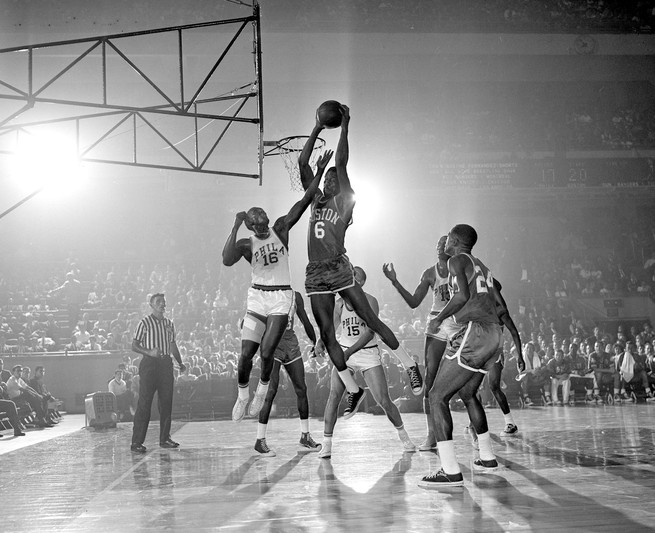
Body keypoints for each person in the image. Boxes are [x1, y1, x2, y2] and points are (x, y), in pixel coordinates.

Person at [299, 104, 423, 420]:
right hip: (315, 271)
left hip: (338, 266)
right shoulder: (316, 199)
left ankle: (408, 362)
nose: (327, 183)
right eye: (324, 180)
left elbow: (341, 163)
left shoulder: (344, 200)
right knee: (326, 334)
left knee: (371, 318)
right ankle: (353, 390)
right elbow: (302, 162)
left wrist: (345, 126)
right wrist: (316, 128)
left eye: (332, 181)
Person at [222, 148, 333, 423]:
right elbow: (226, 260)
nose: (261, 229)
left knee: (267, 350)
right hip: (258, 297)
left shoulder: (281, 228)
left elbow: (306, 199)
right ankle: (243, 395)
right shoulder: (245, 243)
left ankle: (261, 392)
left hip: (281, 296)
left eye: (264, 224)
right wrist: (235, 225)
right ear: (249, 226)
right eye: (255, 226)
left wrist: (318, 171)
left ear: (268, 221)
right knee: (246, 353)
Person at [418, 224, 525, 488]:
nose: (443, 243)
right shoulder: (483, 268)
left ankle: (450, 471)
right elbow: (500, 303)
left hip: (477, 333)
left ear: (453, 240)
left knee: (435, 395)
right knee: (468, 394)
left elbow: (463, 296)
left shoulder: (456, 260)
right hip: (493, 336)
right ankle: (487, 457)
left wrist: (439, 319)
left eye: (447, 238)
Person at [318, 266, 416, 459]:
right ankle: (327, 444)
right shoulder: (339, 303)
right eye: (350, 272)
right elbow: (331, 326)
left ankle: (404, 437)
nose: (351, 275)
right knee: (334, 395)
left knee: (383, 400)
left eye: (355, 274)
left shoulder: (370, 300)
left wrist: (349, 352)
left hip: (367, 353)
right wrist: (320, 341)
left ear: (361, 282)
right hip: (347, 352)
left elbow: (370, 332)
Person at [383, 235, 461, 451]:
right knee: (430, 381)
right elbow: (414, 302)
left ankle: (474, 428)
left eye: (442, 244)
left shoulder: (460, 269)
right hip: (436, 323)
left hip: (456, 321)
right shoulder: (429, 273)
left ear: (451, 247)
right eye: (436, 244)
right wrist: (395, 281)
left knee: (465, 378)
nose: (438, 247)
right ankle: (431, 435)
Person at [252, 291, 322, 457]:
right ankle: (259, 440)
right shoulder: (265, 295)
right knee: (272, 390)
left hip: (290, 344)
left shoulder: (294, 296)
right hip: (272, 344)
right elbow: (253, 321)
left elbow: (305, 321)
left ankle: (305, 436)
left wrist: (314, 342)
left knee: (301, 389)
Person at [130, 293, 186, 453]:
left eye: (164, 302)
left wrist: (180, 362)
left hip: (165, 364)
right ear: (152, 305)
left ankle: (165, 438)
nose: (162, 304)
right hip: (150, 364)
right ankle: (136, 442)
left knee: (166, 402)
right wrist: (149, 352)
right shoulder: (145, 323)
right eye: (159, 302)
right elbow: (134, 345)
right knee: (144, 403)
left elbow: (173, 345)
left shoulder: (169, 324)